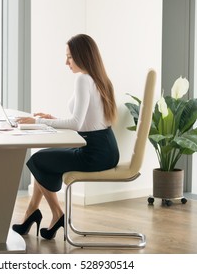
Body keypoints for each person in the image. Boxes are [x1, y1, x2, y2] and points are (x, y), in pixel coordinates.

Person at [12, 34, 119, 240]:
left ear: (82, 56)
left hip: (94, 152)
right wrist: (53, 118)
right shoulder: (100, 79)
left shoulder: (82, 79)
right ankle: (32, 213)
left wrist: (39, 122)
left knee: (38, 159)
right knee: (44, 159)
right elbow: (88, 120)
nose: (66, 62)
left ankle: (56, 214)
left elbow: (77, 123)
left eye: (69, 57)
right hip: (106, 148)